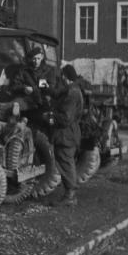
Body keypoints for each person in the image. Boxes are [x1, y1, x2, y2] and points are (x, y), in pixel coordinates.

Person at [51, 64, 84, 206]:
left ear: (66, 76)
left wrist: (51, 116)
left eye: (63, 75)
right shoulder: (74, 90)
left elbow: (65, 117)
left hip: (66, 134)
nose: (61, 78)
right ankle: (69, 194)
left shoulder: (72, 93)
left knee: (66, 162)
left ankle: (70, 196)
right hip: (70, 133)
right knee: (67, 162)